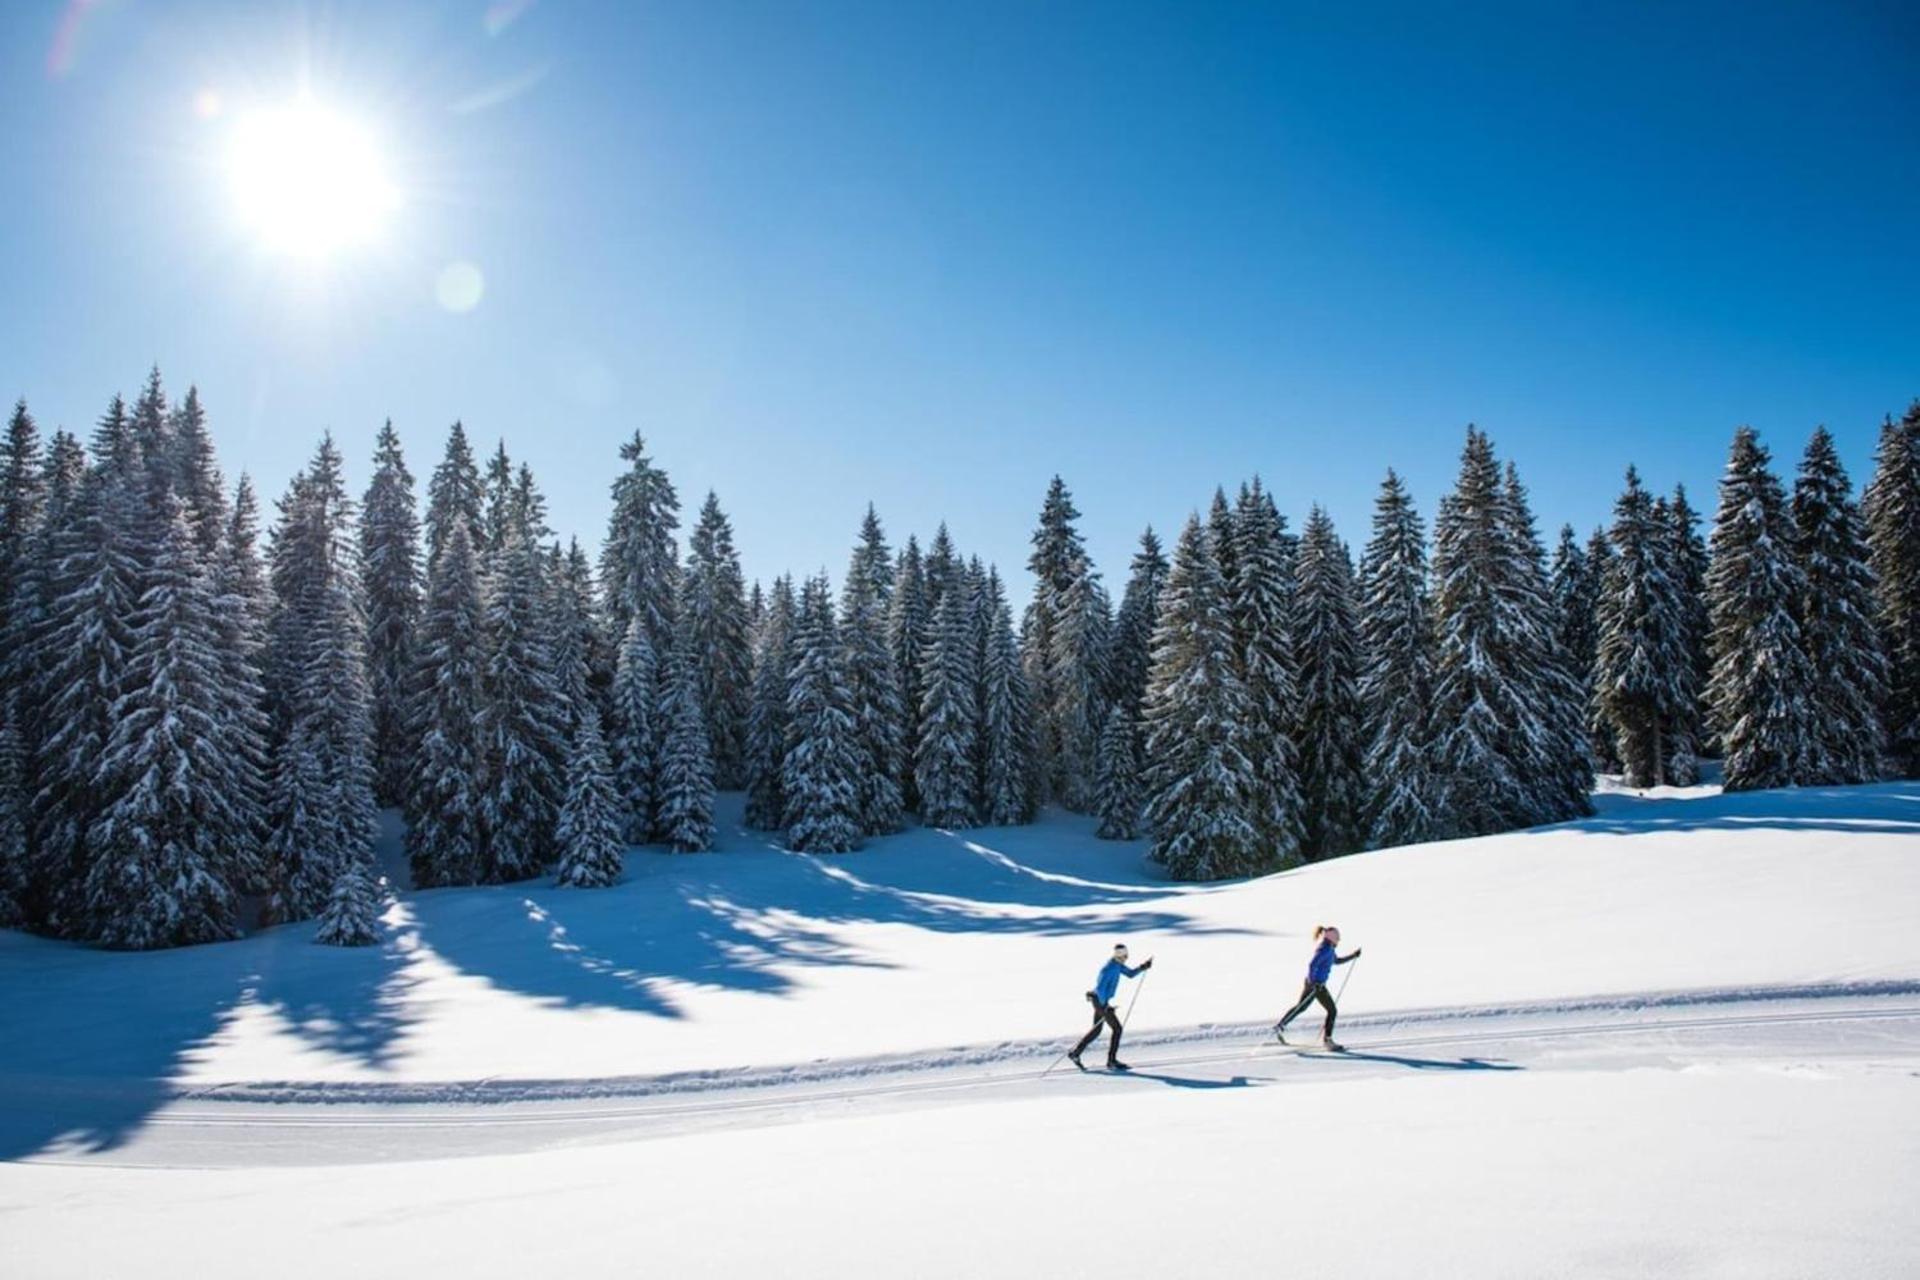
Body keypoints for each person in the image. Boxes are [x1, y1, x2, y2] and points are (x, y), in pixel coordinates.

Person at [1069, 944, 1153, 1071]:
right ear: (1120, 956)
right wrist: (1105, 1007)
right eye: (1125, 956)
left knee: (1096, 1031)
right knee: (1117, 1029)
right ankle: (1111, 1061)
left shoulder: (1117, 965)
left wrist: (1143, 967)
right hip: (1100, 1001)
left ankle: (1076, 1053)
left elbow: (1130, 974)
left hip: (1099, 1000)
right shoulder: (1109, 969)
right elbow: (1100, 989)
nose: (1126, 958)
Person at [1275, 925, 1361, 1050]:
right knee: (1332, 1011)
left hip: (1316, 985)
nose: (1339, 940)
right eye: (1338, 938)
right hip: (1316, 985)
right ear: (1332, 938)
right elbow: (1312, 965)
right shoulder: (1324, 949)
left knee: (1301, 1007)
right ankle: (1327, 1041)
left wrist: (1353, 956)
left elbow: (1336, 961)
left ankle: (1281, 1025)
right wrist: (1313, 983)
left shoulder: (1329, 949)